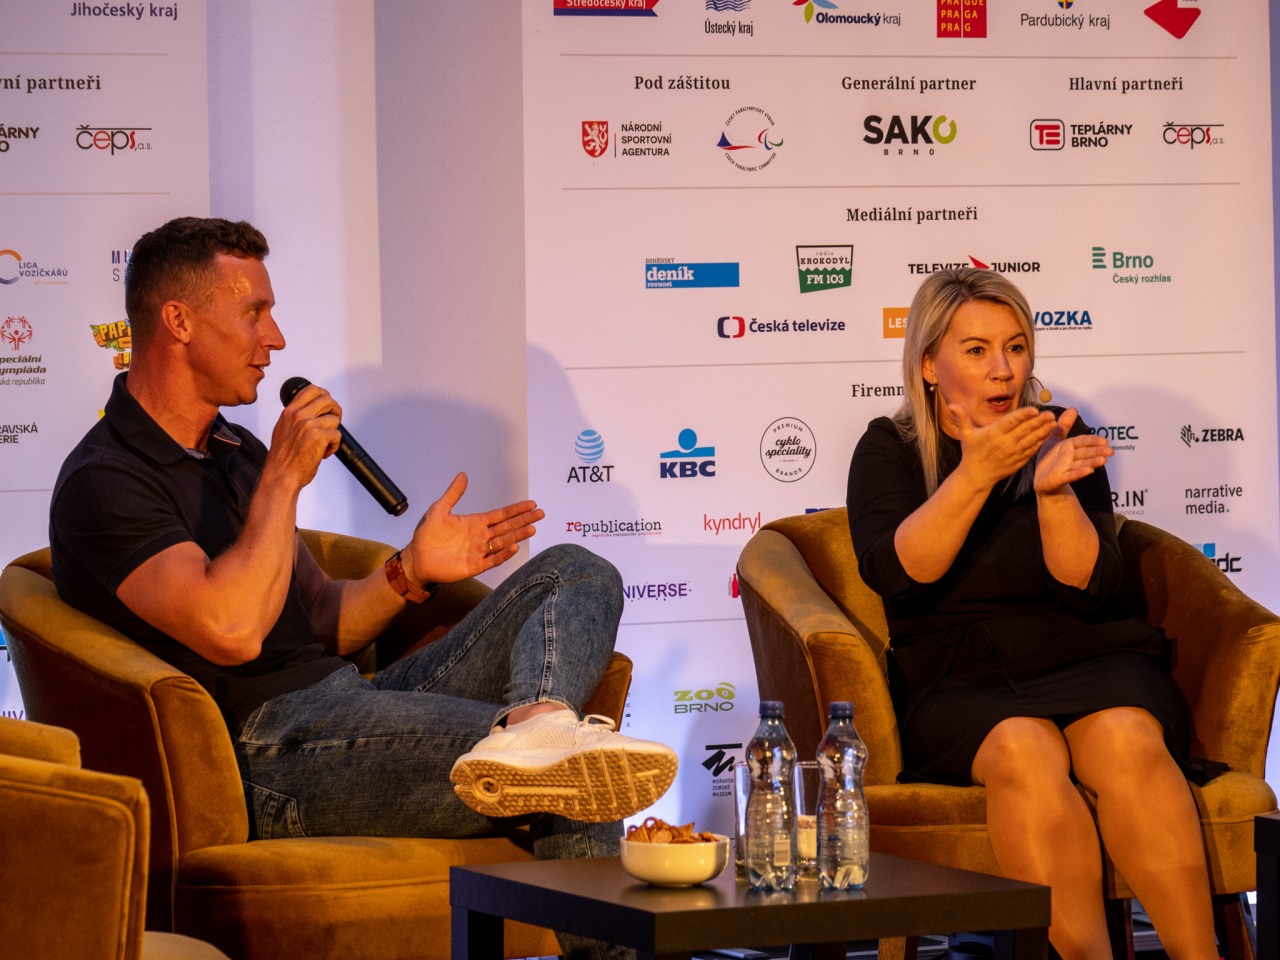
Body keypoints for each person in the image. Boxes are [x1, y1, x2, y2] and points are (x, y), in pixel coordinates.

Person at [49, 217, 676, 960]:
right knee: (575, 770)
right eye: (254, 312)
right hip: (267, 750)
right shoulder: (105, 480)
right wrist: (283, 479)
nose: (275, 338)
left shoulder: (234, 450)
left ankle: (538, 724)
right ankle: (544, 745)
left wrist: (412, 570)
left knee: (575, 570)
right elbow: (232, 631)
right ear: (178, 321)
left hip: (348, 698)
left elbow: (321, 619)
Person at [845, 267, 1220, 960]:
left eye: (1015, 347)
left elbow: (1091, 587)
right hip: (958, 675)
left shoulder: (1059, 435)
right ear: (928, 364)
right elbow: (899, 573)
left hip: (1084, 651)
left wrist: (1052, 493)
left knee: (1127, 739)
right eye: (977, 350)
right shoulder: (889, 447)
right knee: (1024, 748)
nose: (1003, 369)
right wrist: (977, 474)